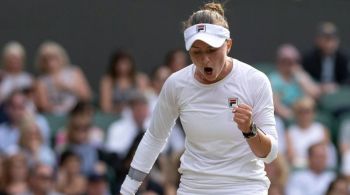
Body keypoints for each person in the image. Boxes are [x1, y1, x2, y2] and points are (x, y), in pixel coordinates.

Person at [120, 2, 278, 194]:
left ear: (228, 45)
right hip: (193, 188)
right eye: (197, 52)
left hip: (245, 188)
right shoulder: (176, 84)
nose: (205, 60)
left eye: (212, 50)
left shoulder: (255, 81)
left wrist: (249, 130)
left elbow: (269, 154)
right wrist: (128, 189)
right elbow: (154, 137)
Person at [34, 41, 92, 114]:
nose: (49, 62)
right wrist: (58, 109)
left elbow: (87, 96)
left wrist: (67, 87)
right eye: (45, 59)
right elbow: (43, 106)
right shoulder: (41, 81)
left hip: (77, 114)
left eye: (53, 58)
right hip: (55, 116)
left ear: (61, 57)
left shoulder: (74, 72)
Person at [269, 44, 320, 121]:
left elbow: (315, 95)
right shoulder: (273, 79)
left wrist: (300, 77)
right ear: (279, 62)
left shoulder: (301, 75)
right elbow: (275, 104)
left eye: (292, 61)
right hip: (282, 116)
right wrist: (290, 115)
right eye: (284, 61)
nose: (288, 64)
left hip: (303, 112)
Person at [302, 22, 350, 93]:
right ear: (318, 40)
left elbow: (347, 78)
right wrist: (319, 86)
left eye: (332, 39)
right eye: (326, 39)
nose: (329, 44)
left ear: (337, 41)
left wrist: (336, 86)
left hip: (338, 92)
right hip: (316, 92)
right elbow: (304, 76)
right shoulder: (309, 58)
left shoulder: (344, 57)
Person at [99, 50, 137, 114]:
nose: (122, 67)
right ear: (114, 65)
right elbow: (105, 107)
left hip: (135, 116)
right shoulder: (107, 81)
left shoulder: (139, 80)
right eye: (120, 64)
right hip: (114, 116)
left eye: (125, 63)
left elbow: (143, 102)